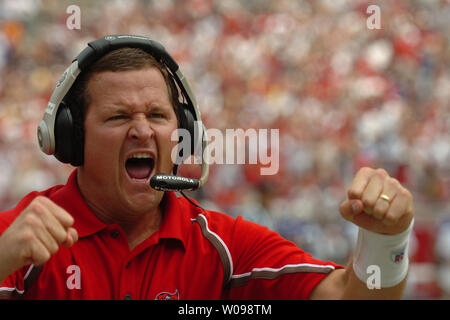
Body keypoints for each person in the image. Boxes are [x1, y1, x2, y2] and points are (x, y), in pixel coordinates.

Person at [0, 35, 414, 300]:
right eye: (118, 117)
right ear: (73, 139)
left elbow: (349, 296)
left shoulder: (225, 247)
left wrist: (386, 241)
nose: (142, 131)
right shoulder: (17, 238)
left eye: (158, 116)